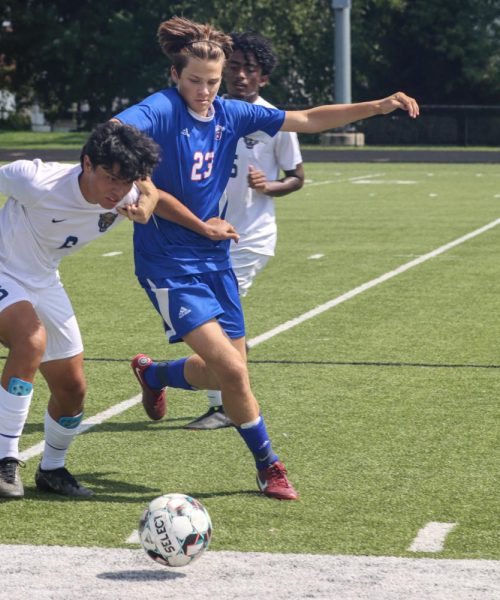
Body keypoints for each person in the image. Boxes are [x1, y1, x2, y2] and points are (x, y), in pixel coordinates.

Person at [115, 16, 419, 500]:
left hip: (214, 257)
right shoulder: (160, 109)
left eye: (212, 82)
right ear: (174, 75)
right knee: (234, 372)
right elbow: (115, 131)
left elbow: (309, 118)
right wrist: (138, 183)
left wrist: (379, 106)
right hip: (168, 261)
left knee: (224, 371)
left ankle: (153, 374)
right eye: (194, 80)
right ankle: (269, 466)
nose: (205, 91)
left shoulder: (231, 113)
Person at [0, 121, 161, 499]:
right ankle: (5, 461)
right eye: (110, 178)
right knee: (31, 340)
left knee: (73, 390)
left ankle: (53, 470)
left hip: (44, 282)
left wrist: (198, 226)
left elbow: (155, 193)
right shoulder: (37, 180)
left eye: (125, 183)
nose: (117, 191)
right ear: (87, 163)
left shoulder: (125, 193)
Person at [186, 31, 305, 431]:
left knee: (216, 318)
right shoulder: (205, 110)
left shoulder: (275, 121)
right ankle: (157, 375)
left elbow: (297, 177)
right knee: (209, 320)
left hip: (249, 236)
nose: (239, 76)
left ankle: (221, 402)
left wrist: (268, 186)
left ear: (263, 78)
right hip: (204, 233)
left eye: (248, 70)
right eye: (233, 68)